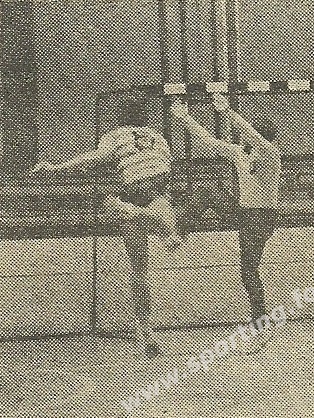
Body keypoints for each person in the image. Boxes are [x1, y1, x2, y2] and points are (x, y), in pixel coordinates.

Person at [31, 97, 181, 358]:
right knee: (167, 218)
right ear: (145, 118)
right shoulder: (159, 137)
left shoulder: (115, 135)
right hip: (156, 188)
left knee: (139, 268)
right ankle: (164, 229)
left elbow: (93, 159)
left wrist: (57, 168)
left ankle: (144, 326)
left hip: (133, 190)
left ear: (121, 119)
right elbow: (166, 169)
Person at [171, 94, 281, 354]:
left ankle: (261, 325)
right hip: (243, 213)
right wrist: (185, 118)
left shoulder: (271, 154)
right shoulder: (241, 153)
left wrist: (227, 112)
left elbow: (254, 137)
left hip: (261, 217)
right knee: (207, 190)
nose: (246, 138)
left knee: (248, 271)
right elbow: (208, 142)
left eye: (252, 135)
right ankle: (179, 231)